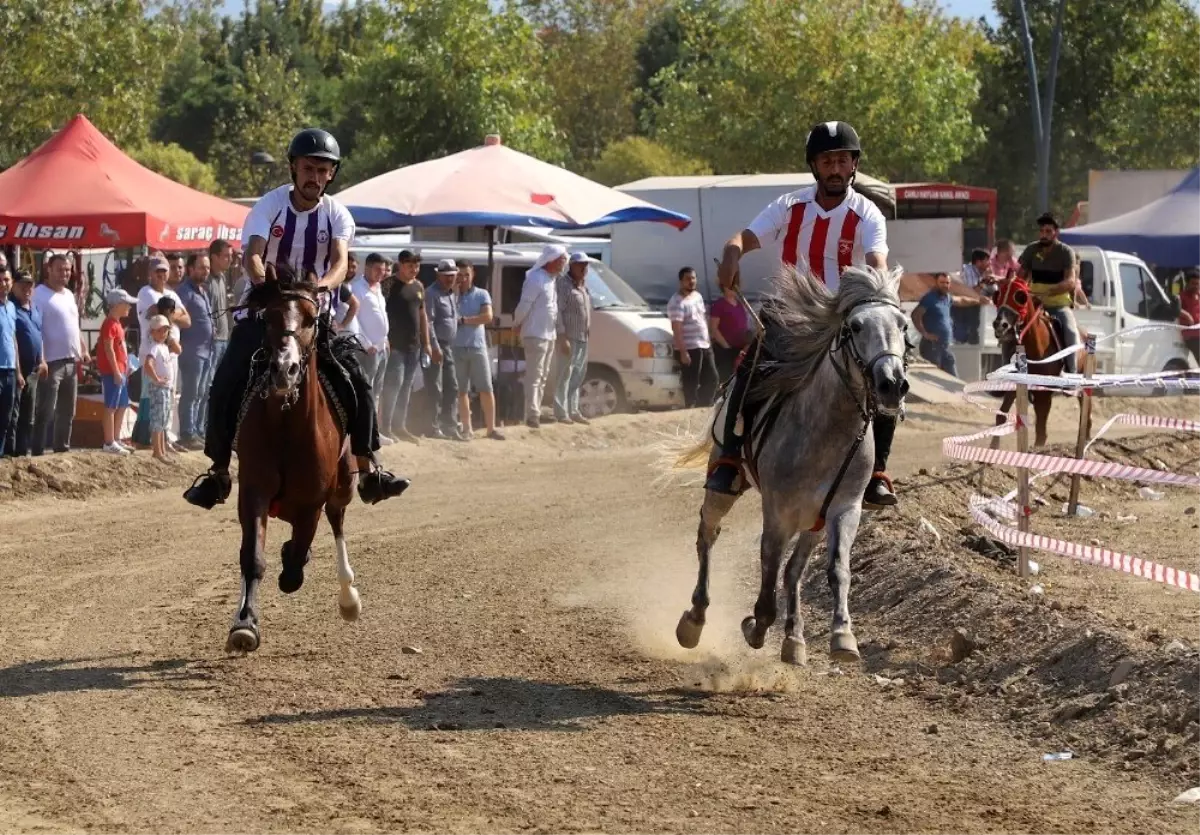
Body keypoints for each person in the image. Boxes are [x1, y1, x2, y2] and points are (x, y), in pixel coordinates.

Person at [183, 127, 410, 509]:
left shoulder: (337, 214)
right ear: (293, 168)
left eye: (324, 171)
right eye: (309, 168)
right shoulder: (268, 207)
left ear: (332, 174)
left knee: (358, 381)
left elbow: (339, 262)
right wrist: (262, 280)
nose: (316, 178)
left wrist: (319, 288)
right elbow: (253, 255)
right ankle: (218, 470)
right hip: (265, 314)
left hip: (313, 317)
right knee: (225, 380)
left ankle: (369, 467)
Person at [704, 120, 900, 507]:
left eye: (843, 160)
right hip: (791, 315)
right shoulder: (789, 205)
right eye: (827, 161)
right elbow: (745, 237)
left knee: (887, 375)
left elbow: (878, 260)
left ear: (853, 165)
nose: (835, 168)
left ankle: (877, 471)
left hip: (842, 319)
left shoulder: (868, 215)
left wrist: (880, 288)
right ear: (814, 166)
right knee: (748, 370)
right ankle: (728, 458)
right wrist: (731, 252)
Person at [1018, 212, 1080, 373]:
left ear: (1056, 233)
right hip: (1033, 305)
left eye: (1048, 231)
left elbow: (1070, 281)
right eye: (1042, 231)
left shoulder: (1066, 252)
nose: (1044, 235)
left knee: (1071, 331)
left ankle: (1071, 373)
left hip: (1057, 305)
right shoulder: (1031, 249)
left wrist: (1049, 292)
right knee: (1009, 330)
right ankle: (1007, 370)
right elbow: (1020, 277)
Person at [514, 244, 566, 428]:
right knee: (534, 376)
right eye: (561, 260)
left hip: (548, 334)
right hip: (535, 333)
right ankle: (532, 415)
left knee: (543, 376)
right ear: (551, 260)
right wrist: (517, 323)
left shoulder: (551, 280)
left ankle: (536, 411)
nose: (563, 263)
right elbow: (524, 305)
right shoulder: (535, 279)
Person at [380, 250, 429, 443]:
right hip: (395, 345)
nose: (414, 270)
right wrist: (385, 338)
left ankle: (400, 426)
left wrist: (427, 343)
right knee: (393, 385)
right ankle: (387, 427)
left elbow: (423, 315)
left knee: (407, 386)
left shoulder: (418, 286)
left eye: (417, 266)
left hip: (414, 346)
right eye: (410, 266)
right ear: (400, 264)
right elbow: (380, 313)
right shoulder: (388, 285)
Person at [454, 258, 505, 439]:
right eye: (459, 275)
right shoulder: (451, 296)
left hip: (477, 347)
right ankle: (467, 428)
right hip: (456, 348)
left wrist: (463, 321)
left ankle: (491, 428)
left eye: (466, 274)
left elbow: (487, 316)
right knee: (461, 391)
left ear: (473, 273)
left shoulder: (482, 294)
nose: (463, 278)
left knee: (486, 388)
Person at [912, 273, 986, 377]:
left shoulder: (947, 298)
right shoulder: (929, 298)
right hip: (932, 347)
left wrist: (978, 301)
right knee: (934, 378)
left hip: (945, 346)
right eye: (942, 283)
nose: (945, 285)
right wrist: (925, 334)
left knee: (953, 379)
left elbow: (961, 300)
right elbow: (915, 315)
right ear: (936, 283)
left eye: (947, 283)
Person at [668, 267, 718, 408]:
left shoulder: (698, 297)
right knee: (692, 381)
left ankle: (704, 406)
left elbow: (702, 319)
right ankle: (690, 407)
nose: (691, 282)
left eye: (693, 278)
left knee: (712, 378)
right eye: (688, 279)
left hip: (704, 345)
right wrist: (683, 352)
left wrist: (709, 339)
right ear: (681, 282)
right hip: (689, 348)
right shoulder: (676, 302)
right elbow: (676, 329)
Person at [97, 288, 138, 455]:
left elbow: (119, 349)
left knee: (122, 405)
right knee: (111, 406)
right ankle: (109, 441)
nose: (129, 306)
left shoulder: (117, 324)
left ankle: (116, 438)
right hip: (112, 372)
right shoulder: (109, 324)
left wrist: (125, 368)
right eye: (126, 303)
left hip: (121, 371)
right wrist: (115, 371)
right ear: (117, 304)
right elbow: (109, 349)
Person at [553, 252, 592, 424]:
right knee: (565, 373)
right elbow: (558, 311)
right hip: (569, 336)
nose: (584, 268)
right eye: (580, 264)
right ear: (571, 265)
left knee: (578, 374)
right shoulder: (563, 285)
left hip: (583, 336)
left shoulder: (583, 285)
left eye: (586, 265)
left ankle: (573, 410)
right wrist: (562, 337)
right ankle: (561, 412)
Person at [143, 315, 176, 463]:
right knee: (157, 419)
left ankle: (161, 450)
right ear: (153, 332)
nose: (163, 333)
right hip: (158, 389)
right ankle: (157, 451)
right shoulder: (154, 347)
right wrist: (156, 378)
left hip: (165, 388)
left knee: (163, 419)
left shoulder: (163, 347)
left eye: (165, 330)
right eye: (160, 330)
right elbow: (148, 364)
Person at [709, 272, 752, 381]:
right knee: (725, 379)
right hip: (725, 351)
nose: (733, 288)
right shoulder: (719, 305)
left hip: (740, 350)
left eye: (735, 284)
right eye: (730, 285)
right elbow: (713, 329)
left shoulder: (740, 305)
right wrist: (726, 347)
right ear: (723, 286)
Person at [1179, 268, 1200, 367]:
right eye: (1193, 283)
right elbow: (1175, 309)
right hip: (1192, 336)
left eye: (1197, 283)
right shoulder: (1182, 296)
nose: (1196, 286)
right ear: (1187, 283)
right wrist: (1187, 315)